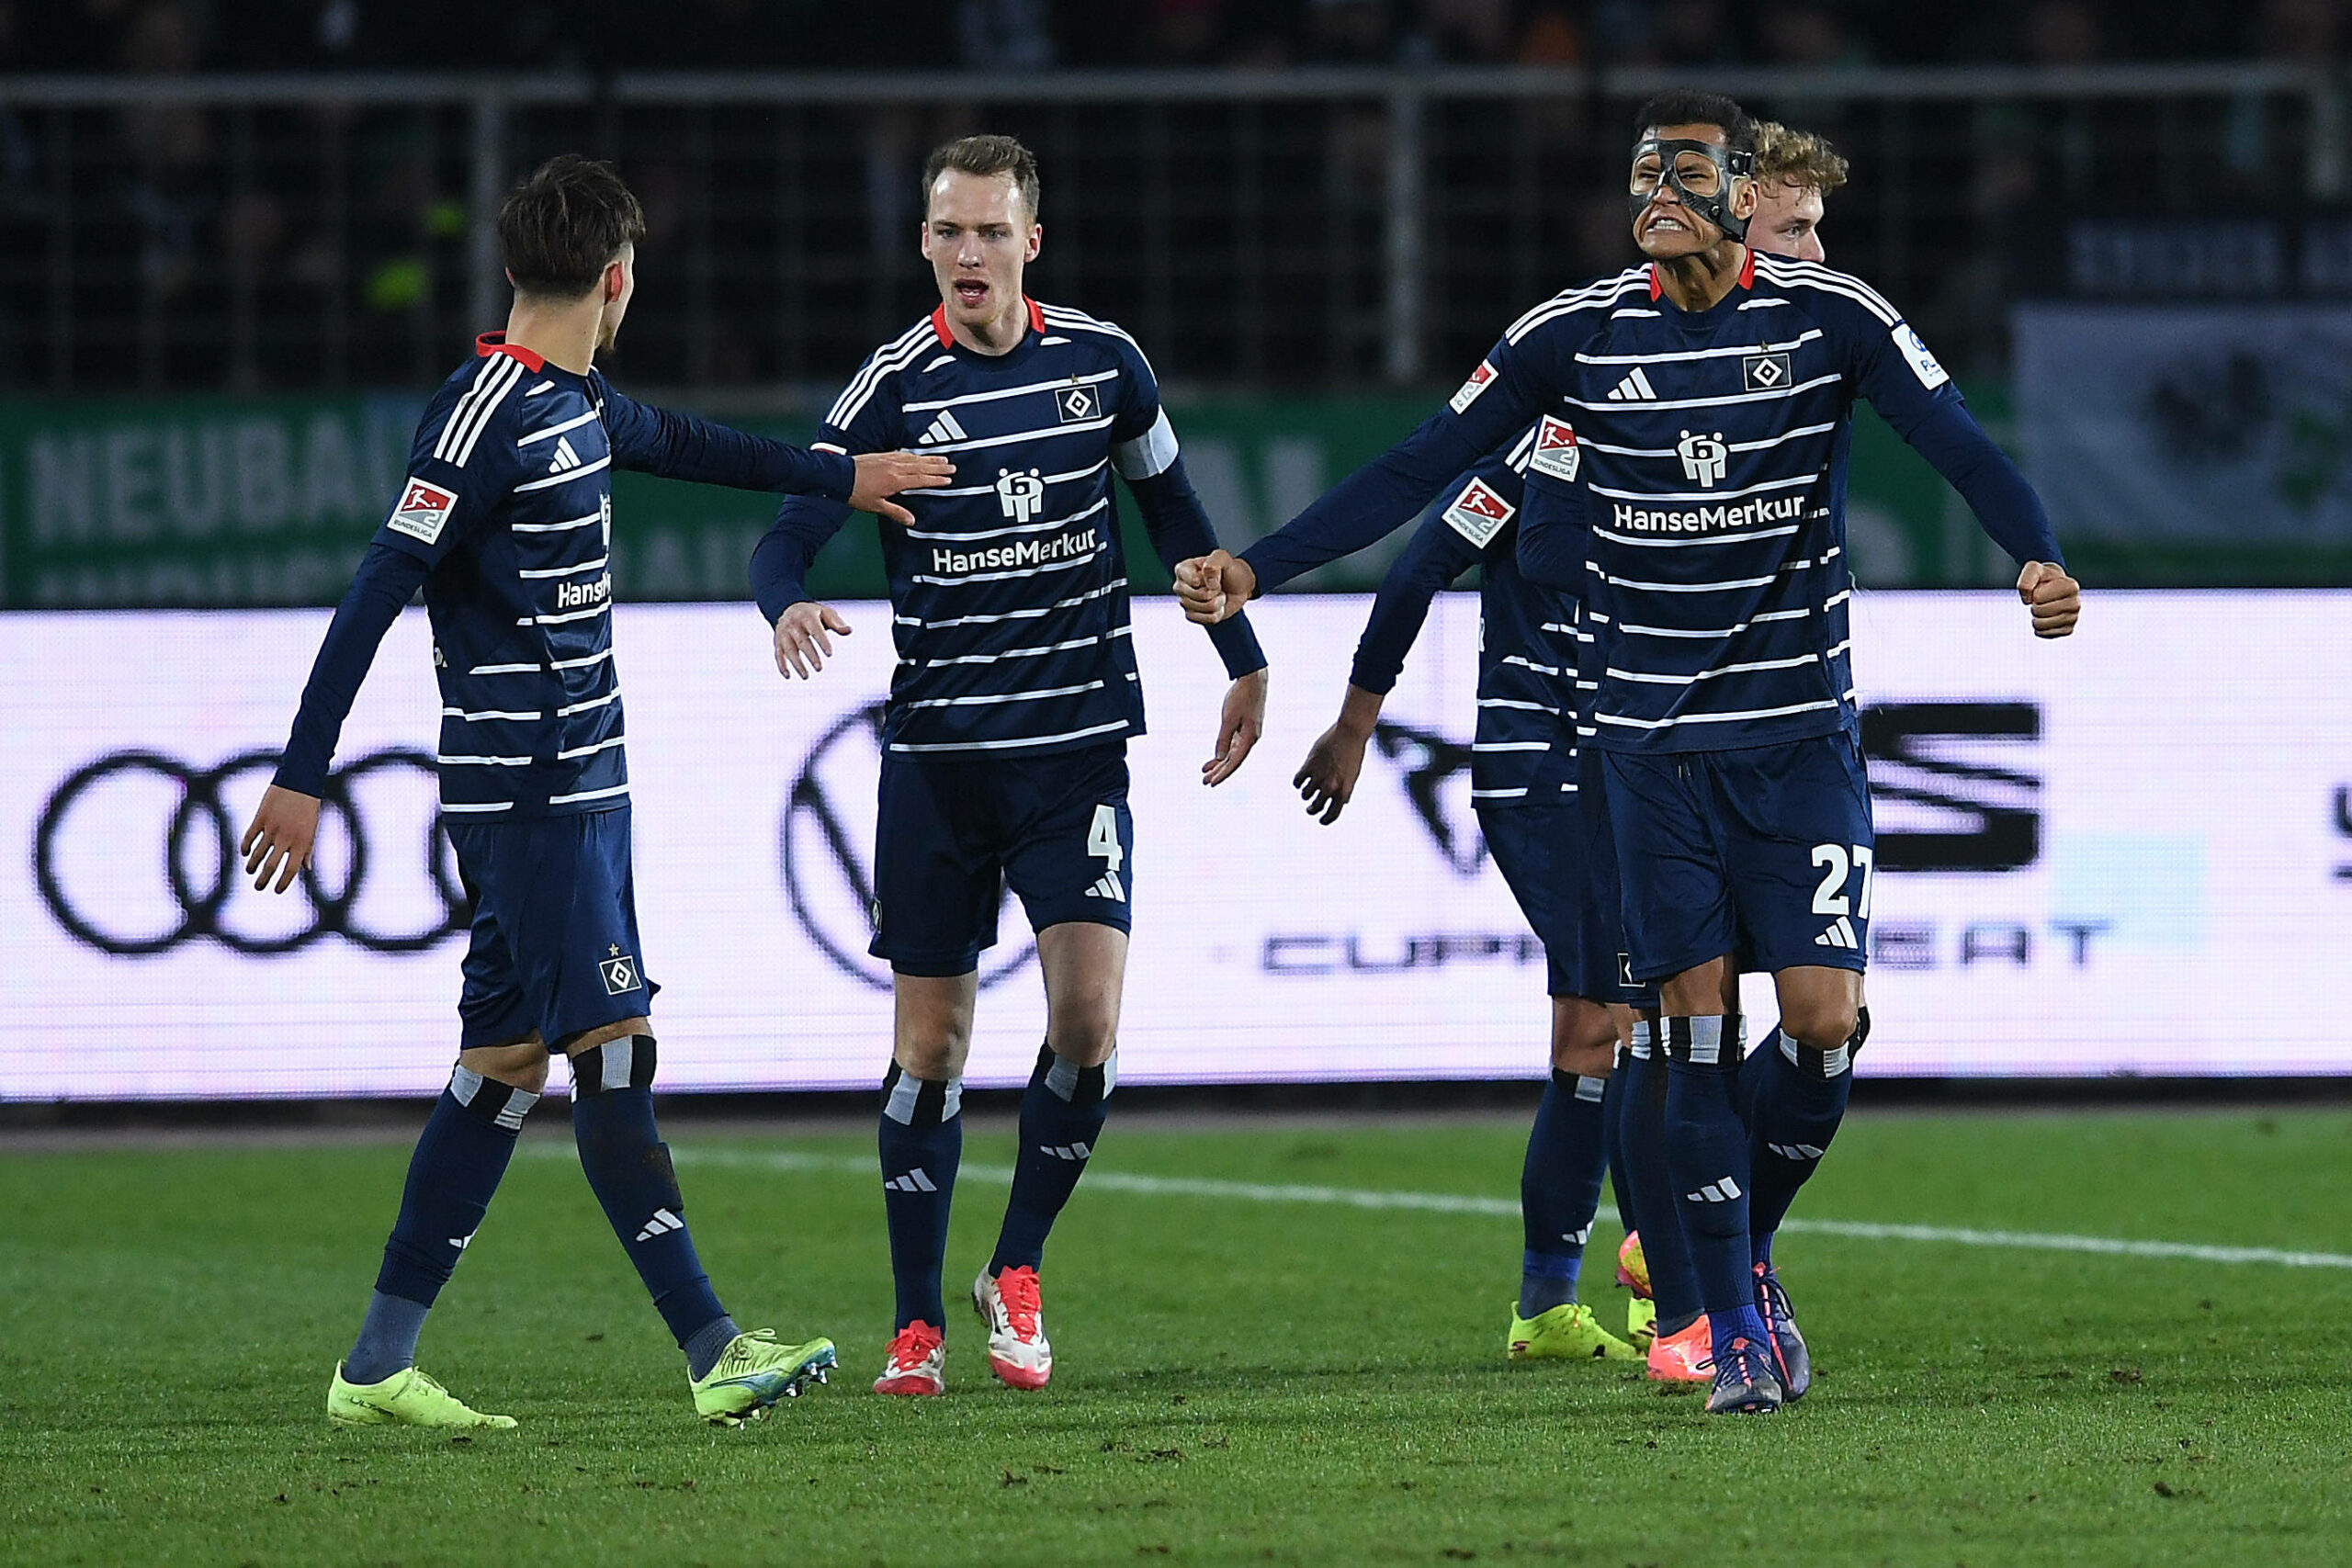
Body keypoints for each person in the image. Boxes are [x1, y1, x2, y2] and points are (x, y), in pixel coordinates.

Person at [1175, 90, 2078, 1416]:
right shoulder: (1573, 338)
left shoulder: (1835, 319)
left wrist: (2038, 554)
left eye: (1684, 174)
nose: (1655, 192)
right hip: (1642, 757)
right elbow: (1420, 472)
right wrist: (1259, 567)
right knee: (1683, 1037)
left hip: (1796, 741)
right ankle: (1725, 1325)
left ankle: (1739, 1244)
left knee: (1826, 1027)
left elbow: (1960, 445)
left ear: (1742, 195)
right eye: (1641, 173)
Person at [238, 154, 950, 1429]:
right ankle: (713, 1346)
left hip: (584, 783)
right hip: (529, 790)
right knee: (614, 1055)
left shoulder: (575, 401)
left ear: (523, 268)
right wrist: (303, 773)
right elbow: (376, 586)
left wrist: (839, 478)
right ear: (615, 279)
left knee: (502, 1067)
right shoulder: (484, 415)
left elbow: (684, 440)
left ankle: (375, 1366)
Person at [749, 134, 1270, 1397]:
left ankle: (1016, 1267)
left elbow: (1177, 518)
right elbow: (792, 528)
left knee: (1087, 1023)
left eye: (989, 232)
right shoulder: (888, 388)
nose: (966, 254)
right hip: (938, 759)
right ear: (924, 243)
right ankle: (916, 1324)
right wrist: (782, 605)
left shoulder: (1104, 365)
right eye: (946, 233)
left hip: (1076, 745)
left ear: (1031, 242)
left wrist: (1242, 658)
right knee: (931, 1045)